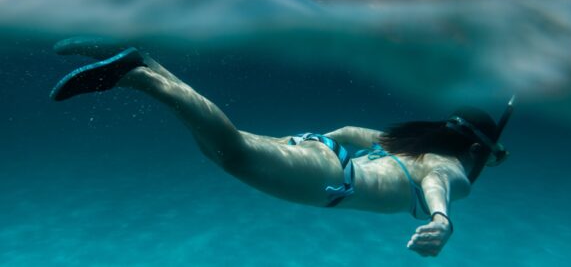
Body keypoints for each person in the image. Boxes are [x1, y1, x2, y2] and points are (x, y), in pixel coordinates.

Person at [50, 39, 514, 257]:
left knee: (222, 148)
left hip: (323, 155)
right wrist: (442, 221)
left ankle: (147, 61)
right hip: (331, 180)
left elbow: (353, 130)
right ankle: (137, 77)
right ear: (476, 150)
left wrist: (320, 144)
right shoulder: (453, 170)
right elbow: (438, 185)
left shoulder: (417, 145)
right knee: (232, 153)